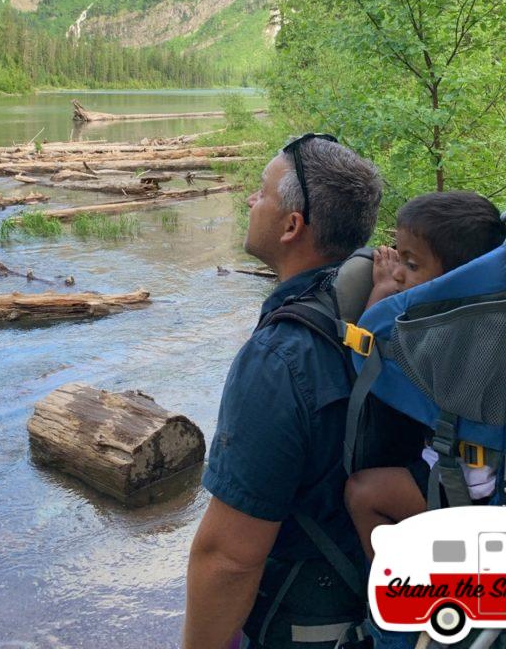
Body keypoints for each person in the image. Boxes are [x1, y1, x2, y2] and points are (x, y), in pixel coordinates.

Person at [182, 134, 384, 649]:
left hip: (310, 621)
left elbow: (229, 558)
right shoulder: (379, 305)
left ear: (292, 226)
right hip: (377, 603)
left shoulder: (279, 359)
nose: (251, 201)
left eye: (261, 192)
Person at [344, 191, 506, 560]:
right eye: (398, 258)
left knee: (362, 493)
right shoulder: (495, 317)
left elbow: (370, 359)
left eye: (412, 265)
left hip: (466, 489)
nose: (399, 272)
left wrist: (383, 291)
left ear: (457, 279)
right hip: (504, 473)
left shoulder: (441, 337)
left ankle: (397, 598)